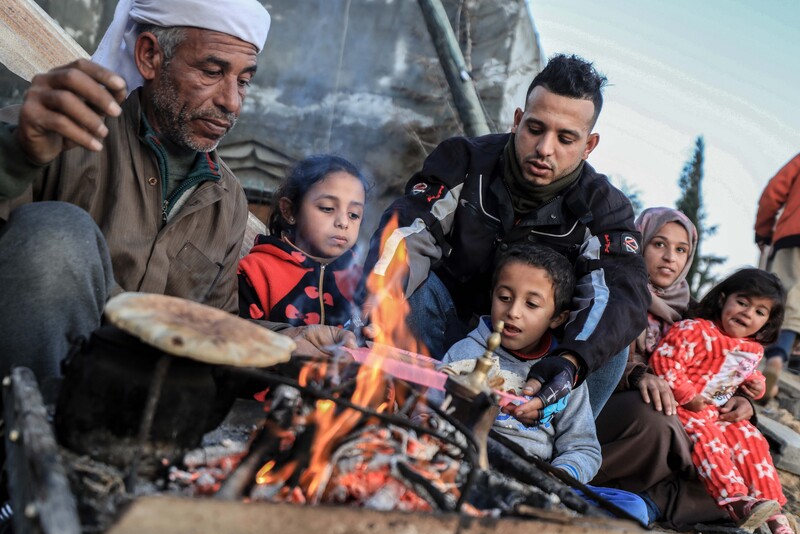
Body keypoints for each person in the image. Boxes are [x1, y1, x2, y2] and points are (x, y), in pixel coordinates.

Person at [0, 0, 353, 382]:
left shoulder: (228, 201)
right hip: (35, 400)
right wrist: (17, 156)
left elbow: (213, 327)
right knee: (58, 231)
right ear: (150, 55)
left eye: (244, 81)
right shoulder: (52, 132)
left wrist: (289, 343)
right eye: (212, 71)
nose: (231, 102)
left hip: (141, 410)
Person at [359, 53, 649, 423]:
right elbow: (409, 228)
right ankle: (397, 417)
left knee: (611, 349)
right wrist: (382, 292)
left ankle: (546, 444)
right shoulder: (464, 159)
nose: (545, 149)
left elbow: (620, 292)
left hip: (536, 358)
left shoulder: (606, 209)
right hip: (445, 330)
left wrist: (570, 363)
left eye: (565, 138)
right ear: (517, 120)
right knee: (411, 291)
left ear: (589, 145)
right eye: (535, 129)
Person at [438, 243, 648, 524]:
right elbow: (432, 409)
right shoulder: (465, 353)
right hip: (469, 469)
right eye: (504, 297)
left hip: (538, 482)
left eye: (532, 304)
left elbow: (583, 448)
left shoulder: (563, 377)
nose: (513, 312)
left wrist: (559, 475)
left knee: (633, 507)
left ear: (557, 317)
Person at [593, 207, 753, 528]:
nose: (670, 258)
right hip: (614, 404)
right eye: (658, 244)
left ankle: (647, 503)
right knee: (655, 421)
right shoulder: (610, 286)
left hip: (683, 417)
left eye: (681, 250)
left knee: (737, 466)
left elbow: (719, 370)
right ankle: (590, 477)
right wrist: (638, 374)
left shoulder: (695, 314)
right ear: (639, 244)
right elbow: (592, 349)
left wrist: (743, 402)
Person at [650, 268, 800, 534]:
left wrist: (755, 386)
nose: (747, 313)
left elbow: (744, 375)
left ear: (768, 320)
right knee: (711, 441)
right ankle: (736, 501)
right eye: (742, 302)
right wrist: (689, 396)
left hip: (720, 412)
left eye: (760, 311)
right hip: (688, 408)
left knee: (751, 438)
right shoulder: (694, 329)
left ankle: (772, 509)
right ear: (722, 299)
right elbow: (665, 362)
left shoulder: (751, 349)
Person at [238, 155, 367, 327]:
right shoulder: (257, 272)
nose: (343, 223)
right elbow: (240, 335)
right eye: (327, 208)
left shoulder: (362, 279)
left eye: (354, 214)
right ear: (289, 211)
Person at [755, 153, 800, 400]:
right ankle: (782, 356)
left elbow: (774, 191)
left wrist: (763, 230)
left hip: (794, 235)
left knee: (782, 295)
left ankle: (772, 360)